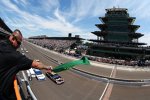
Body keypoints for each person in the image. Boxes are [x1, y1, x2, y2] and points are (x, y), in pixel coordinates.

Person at [0, 29, 52, 100]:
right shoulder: (15, 56)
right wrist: (47, 67)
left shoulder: (1, 43)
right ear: (12, 38)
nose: (19, 45)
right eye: (18, 43)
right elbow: (36, 65)